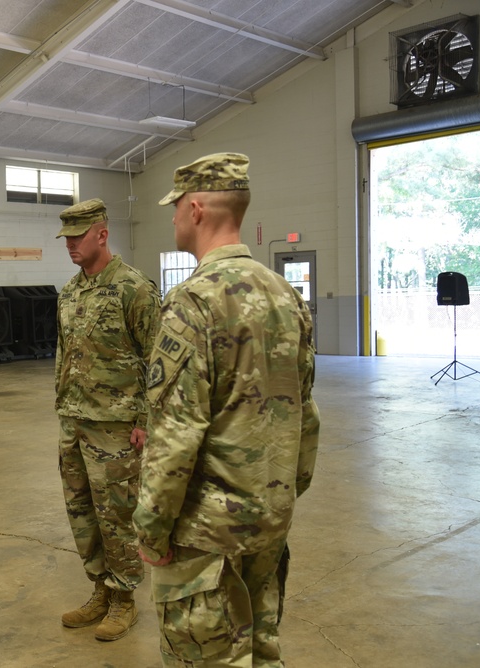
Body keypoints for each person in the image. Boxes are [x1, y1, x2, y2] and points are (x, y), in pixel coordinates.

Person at [134, 153, 320, 667]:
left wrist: (151, 527)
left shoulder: (191, 303)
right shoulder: (287, 296)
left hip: (206, 535)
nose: (171, 218)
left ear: (195, 209)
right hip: (269, 515)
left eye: (175, 208)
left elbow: (176, 434)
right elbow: (306, 411)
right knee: (262, 648)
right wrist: (285, 492)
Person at [54, 198, 161, 641]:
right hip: (73, 420)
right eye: (66, 238)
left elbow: (159, 362)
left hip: (117, 427)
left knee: (117, 515)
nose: (71, 245)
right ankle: (100, 588)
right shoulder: (70, 291)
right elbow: (63, 353)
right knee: (82, 514)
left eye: (79, 236)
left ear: (102, 232)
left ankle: (123, 599)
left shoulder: (134, 288)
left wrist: (145, 421)